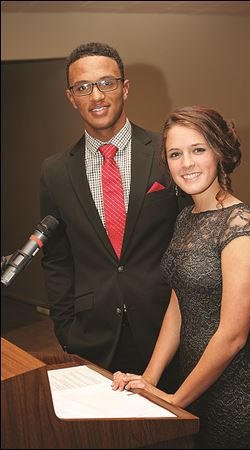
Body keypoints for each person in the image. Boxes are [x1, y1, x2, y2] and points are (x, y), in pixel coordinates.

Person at [112, 105, 250, 449]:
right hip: (192, 382)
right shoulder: (187, 217)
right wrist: (150, 378)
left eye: (197, 149)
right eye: (175, 154)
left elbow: (233, 335)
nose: (186, 163)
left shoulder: (241, 224)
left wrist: (173, 400)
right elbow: (178, 303)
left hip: (237, 393)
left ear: (219, 152)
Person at [40, 42, 189, 391]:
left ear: (125, 87)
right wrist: (66, 329)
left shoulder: (167, 153)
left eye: (106, 83)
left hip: (168, 329)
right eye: (83, 87)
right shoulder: (54, 171)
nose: (96, 96)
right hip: (95, 340)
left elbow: (190, 243)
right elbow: (57, 260)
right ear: (70, 97)